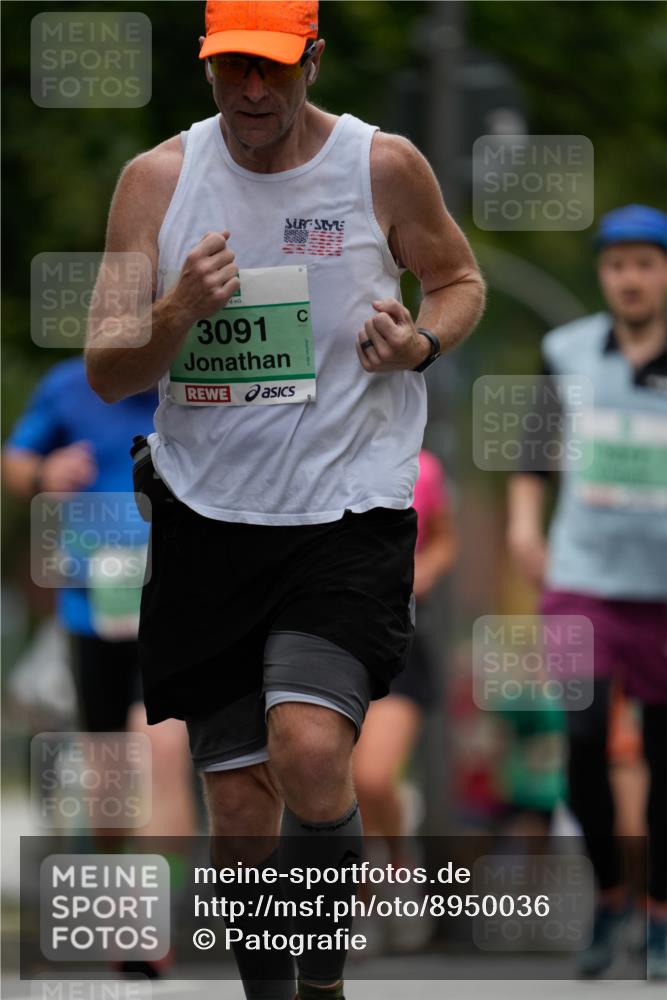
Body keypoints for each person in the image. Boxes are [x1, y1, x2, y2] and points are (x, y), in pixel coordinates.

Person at [85, 2, 485, 997]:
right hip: (207, 521)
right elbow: (104, 368)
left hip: (346, 510)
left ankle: (323, 977)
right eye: (233, 72)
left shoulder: (379, 166)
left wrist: (422, 342)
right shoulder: (158, 182)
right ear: (207, 65)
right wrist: (179, 308)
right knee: (238, 804)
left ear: (311, 58)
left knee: (308, 750)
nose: (252, 93)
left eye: (272, 70)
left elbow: (459, 278)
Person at [507, 204, 667, 981]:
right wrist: (521, 527)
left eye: (645, 264)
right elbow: (533, 452)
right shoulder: (564, 351)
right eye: (616, 265)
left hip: (661, 593)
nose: (630, 279)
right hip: (581, 582)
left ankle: (659, 914)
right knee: (579, 737)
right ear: (601, 275)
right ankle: (608, 898)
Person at [2, 357, 196, 974]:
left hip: (175, 602)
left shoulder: (197, 376)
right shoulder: (67, 386)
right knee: (110, 769)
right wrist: (44, 472)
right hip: (93, 607)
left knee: (162, 751)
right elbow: (15, 462)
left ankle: (154, 918)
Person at [352, 449, 455, 857]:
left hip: (400, 636)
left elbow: (447, 540)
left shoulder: (424, 466)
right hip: (329, 634)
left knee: (372, 777)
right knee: (336, 786)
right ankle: (359, 897)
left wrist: (426, 568)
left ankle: (399, 860)